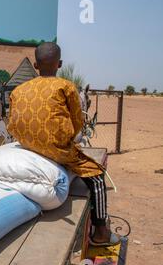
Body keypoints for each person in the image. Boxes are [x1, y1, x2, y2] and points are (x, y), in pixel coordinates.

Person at [7, 42, 119, 246]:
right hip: (57, 149)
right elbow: (78, 122)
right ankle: (101, 232)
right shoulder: (66, 86)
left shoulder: (18, 90)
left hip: (25, 144)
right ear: (59, 64)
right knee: (96, 177)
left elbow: (11, 124)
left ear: (35, 64)